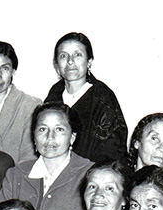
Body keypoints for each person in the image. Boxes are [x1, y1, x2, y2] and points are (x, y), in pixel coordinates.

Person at [0, 102, 92, 210]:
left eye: (59, 129)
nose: (50, 137)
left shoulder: (90, 174)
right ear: (33, 136)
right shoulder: (15, 175)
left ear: (72, 137)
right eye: (42, 129)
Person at [44, 32, 127, 163]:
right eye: (63, 56)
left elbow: (112, 153)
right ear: (57, 65)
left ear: (89, 62)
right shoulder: (55, 93)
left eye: (77, 55)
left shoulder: (103, 97)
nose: (70, 61)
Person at [0, 41, 42, 165]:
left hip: (18, 181)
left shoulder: (30, 106)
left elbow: (30, 159)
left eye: (5, 68)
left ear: (13, 71)